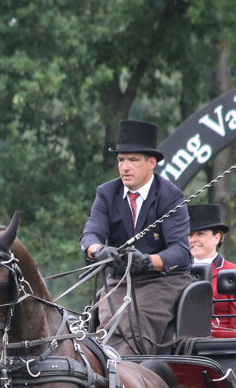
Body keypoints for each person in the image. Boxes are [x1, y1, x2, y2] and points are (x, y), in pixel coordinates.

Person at [80, 119, 194, 354]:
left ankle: (128, 382)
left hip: (163, 281)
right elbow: (90, 234)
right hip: (120, 280)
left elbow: (181, 252)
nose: (125, 167)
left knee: (133, 323)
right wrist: (98, 250)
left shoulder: (171, 196)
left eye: (133, 160)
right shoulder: (106, 193)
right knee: (106, 329)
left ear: (151, 163)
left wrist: (148, 261)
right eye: (121, 160)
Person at [187, 204, 236, 331]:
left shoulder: (235, 273)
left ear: (216, 238)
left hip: (219, 345)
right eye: (190, 235)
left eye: (200, 234)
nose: (193, 240)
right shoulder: (177, 271)